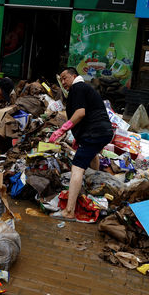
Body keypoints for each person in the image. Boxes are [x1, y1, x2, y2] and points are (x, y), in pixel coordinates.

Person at [49, 67, 114, 221]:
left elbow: (80, 113)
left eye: (65, 78)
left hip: (95, 132)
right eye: (61, 79)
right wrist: (78, 137)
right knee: (92, 157)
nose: (63, 82)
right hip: (103, 132)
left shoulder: (77, 88)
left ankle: (69, 211)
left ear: (74, 76)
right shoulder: (85, 88)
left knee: (77, 167)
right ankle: (93, 192)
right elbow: (88, 113)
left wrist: (62, 130)